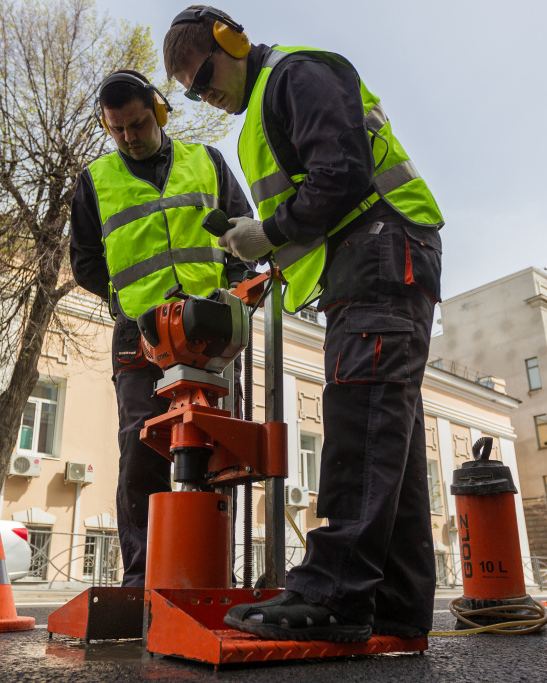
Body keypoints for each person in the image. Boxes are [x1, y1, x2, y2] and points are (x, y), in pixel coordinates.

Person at [164, 7, 445, 642]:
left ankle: (333, 595)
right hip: (371, 259)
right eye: (190, 90)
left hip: (378, 250)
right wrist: (262, 242)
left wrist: (269, 230)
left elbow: (339, 175)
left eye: (204, 74)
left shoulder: (297, 75)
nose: (203, 93)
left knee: (359, 420)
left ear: (232, 40)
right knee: (386, 436)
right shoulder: (267, 103)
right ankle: (395, 607)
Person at [69, 70, 253, 587]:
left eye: (139, 123)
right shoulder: (94, 181)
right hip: (140, 336)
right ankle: (142, 578)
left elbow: (243, 234)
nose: (130, 136)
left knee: (219, 447)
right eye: (118, 128)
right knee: (140, 449)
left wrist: (233, 290)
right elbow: (85, 261)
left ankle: (212, 572)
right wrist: (127, 302)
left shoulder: (207, 162)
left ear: (160, 111)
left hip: (212, 329)